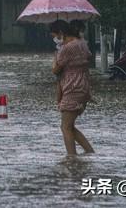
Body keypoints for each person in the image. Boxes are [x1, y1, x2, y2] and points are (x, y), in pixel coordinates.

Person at [50, 20, 94, 155]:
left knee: (65, 127)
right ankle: (89, 153)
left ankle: (71, 158)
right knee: (70, 126)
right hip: (83, 86)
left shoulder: (67, 48)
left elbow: (55, 70)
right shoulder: (82, 44)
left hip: (72, 88)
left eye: (55, 36)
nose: (55, 39)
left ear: (61, 33)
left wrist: (56, 55)